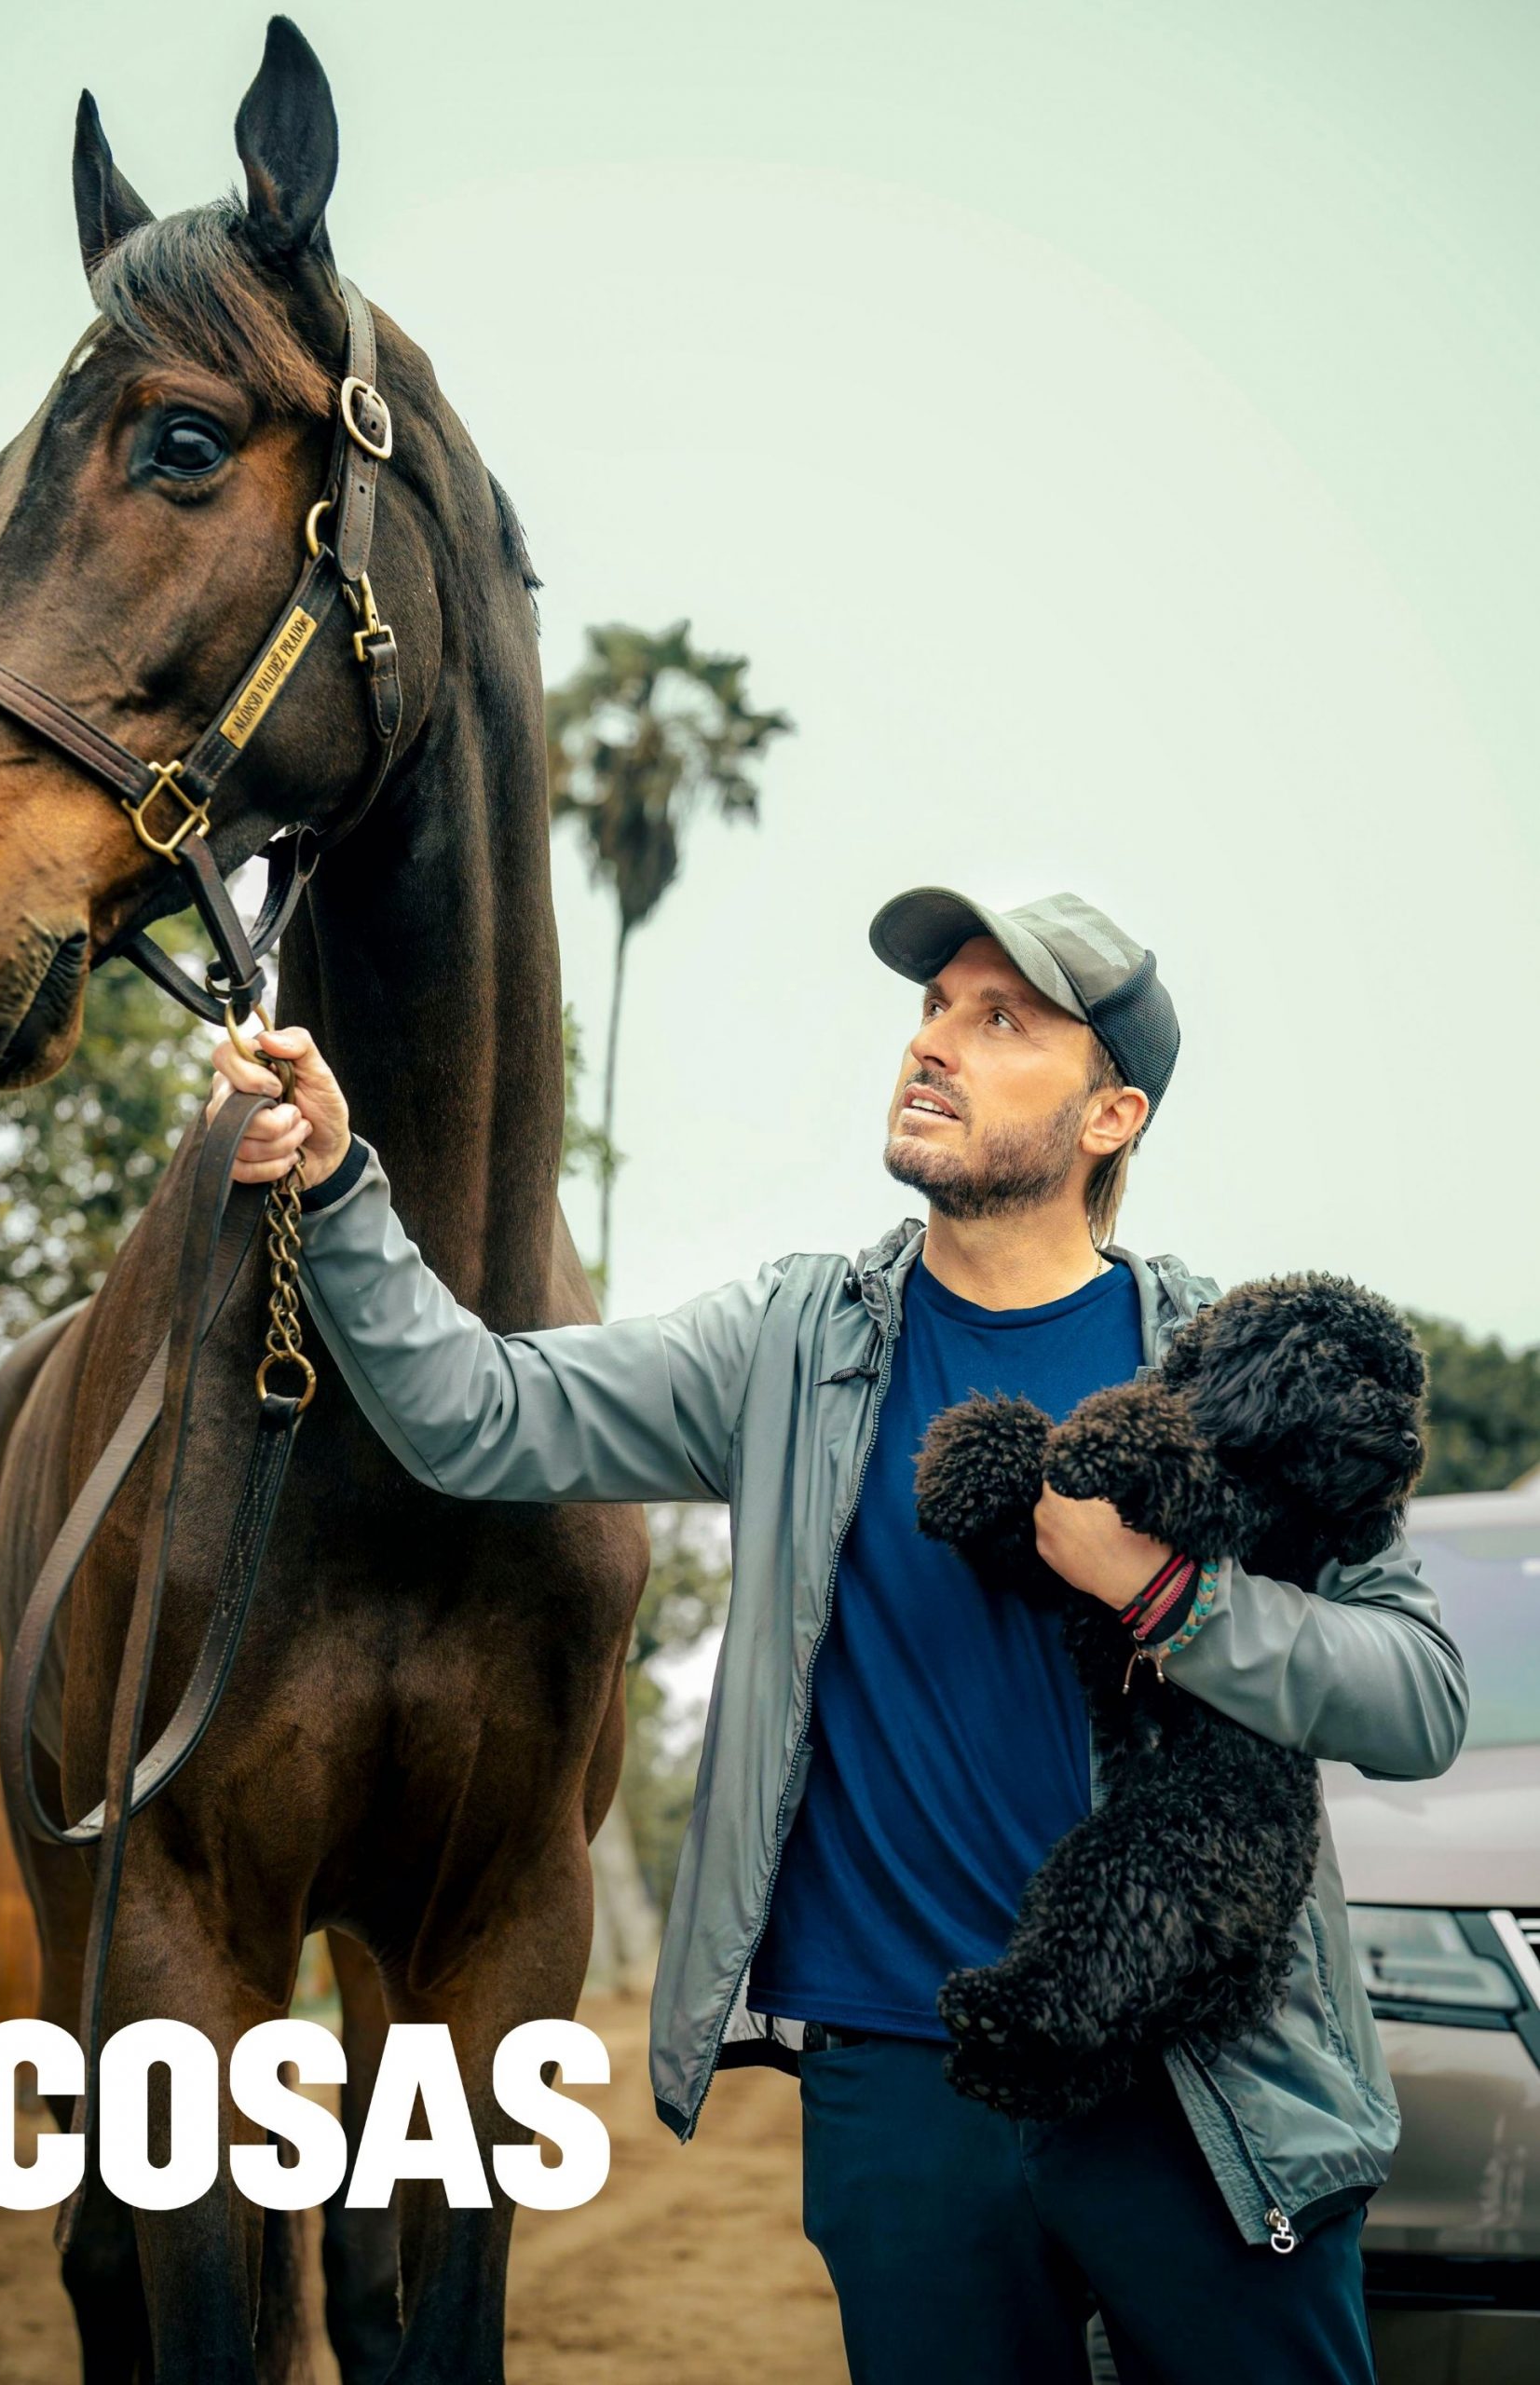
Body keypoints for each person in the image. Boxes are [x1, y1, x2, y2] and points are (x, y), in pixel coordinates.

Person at [206, 884, 1466, 2385]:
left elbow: (1417, 1698)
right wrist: (344, 1185)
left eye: (999, 1019)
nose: (935, 1041)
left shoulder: (1226, 1374)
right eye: (932, 1008)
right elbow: (478, 1414)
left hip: (1192, 2083)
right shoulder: (794, 1345)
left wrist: (1164, 1595)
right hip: (897, 2089)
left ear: (1110, 1115)